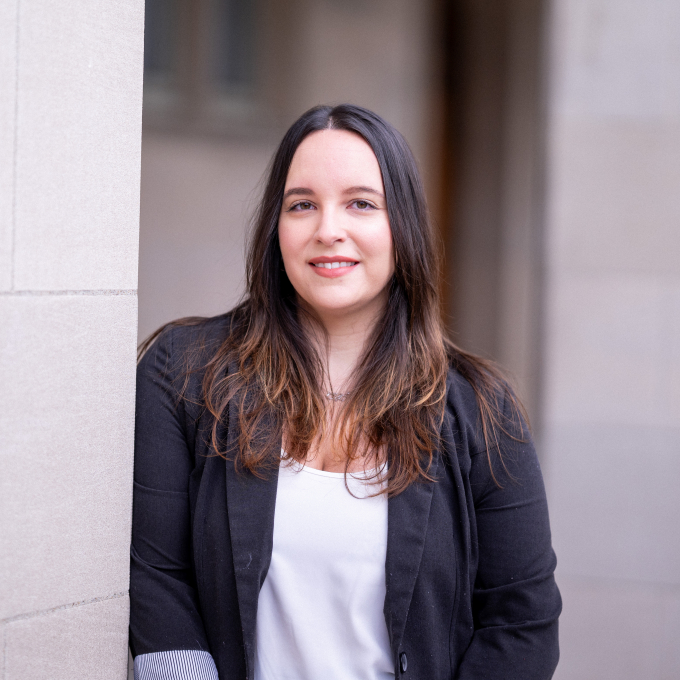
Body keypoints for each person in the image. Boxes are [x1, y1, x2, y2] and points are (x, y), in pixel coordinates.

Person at [129, 104, 561, 680]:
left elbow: (521, 625)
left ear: (400, 226)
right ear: (274, 229)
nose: (327, 228)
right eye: (302, 204)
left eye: (361, 203)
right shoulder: (181, 375)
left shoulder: (483, 412)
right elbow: (156, 579)